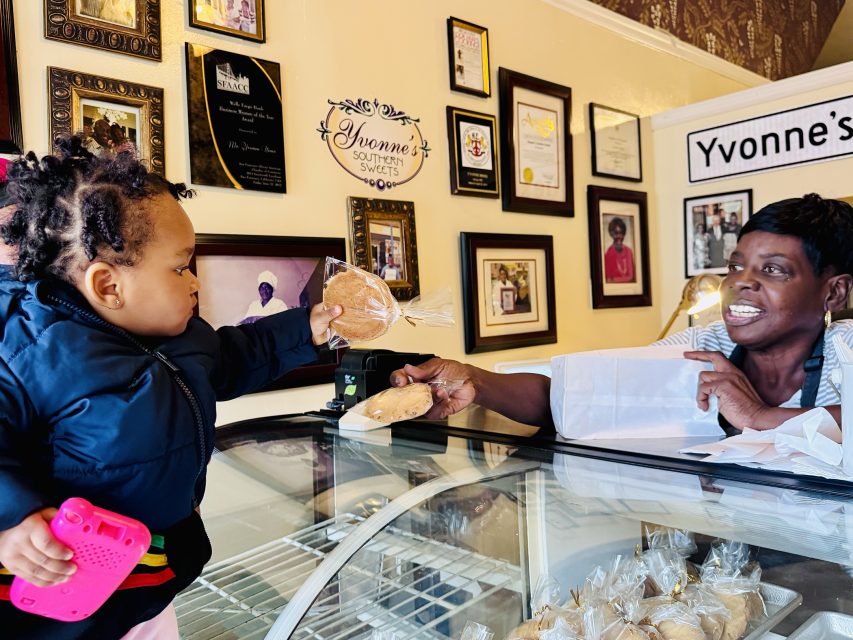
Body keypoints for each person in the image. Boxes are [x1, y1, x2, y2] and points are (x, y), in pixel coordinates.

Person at [0, 136, 341, 639]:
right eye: (181, 267)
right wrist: (13, 519)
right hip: (64, 602)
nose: (194, 282)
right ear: (107, 286)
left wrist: (309, 325)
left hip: (151, 583)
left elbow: (240, 355)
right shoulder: (26, 352)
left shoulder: (182, 337)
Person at [391, 194, 853, 434]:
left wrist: (757, 414)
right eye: (736, 266)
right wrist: (476, 380)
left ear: (833, 293)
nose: (739, 282)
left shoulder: (845, 348)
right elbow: (584, 394)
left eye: (773, 270)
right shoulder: (701, 346)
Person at [603, 217, 635, 283]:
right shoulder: (608, 254)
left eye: (621, 233)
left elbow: (632, 277)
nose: (619, 236)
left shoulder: (628, 252)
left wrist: (614, 280)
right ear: (611, 234)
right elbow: (608, 280)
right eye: (616, 233)